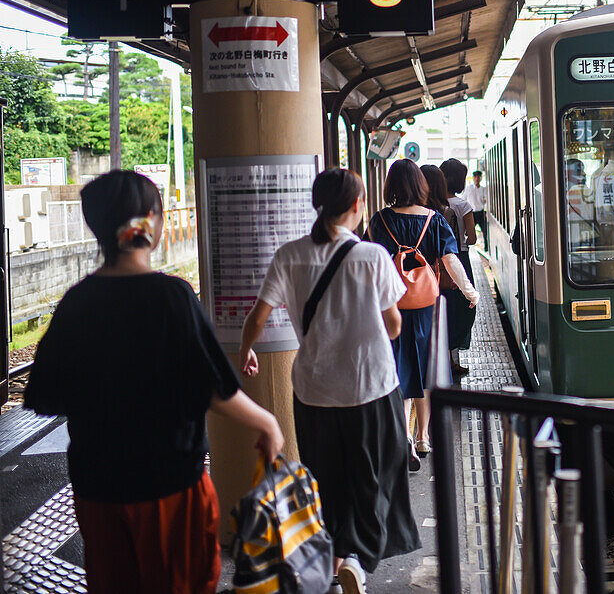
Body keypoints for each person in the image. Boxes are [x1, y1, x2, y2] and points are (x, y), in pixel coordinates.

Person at [23, 170, 284, 594]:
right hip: (169, 488)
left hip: (98, 487)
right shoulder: (173, 298)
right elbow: (215, 389)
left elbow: (45, 395)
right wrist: (267, 424)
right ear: (148, 223)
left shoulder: (76, 303)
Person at [238, 168, 418, 592]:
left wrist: (246, 350)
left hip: (315, 392)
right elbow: (393, 325)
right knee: (378, 471)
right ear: (357, 206)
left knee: (326, 479)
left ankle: (337, 563)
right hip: (371, 387)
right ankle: (357, 557)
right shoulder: (371, 256)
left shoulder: (290, 255)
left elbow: (258, 316)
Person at [367, 160, 479, 463]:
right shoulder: (433, 219)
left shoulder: (379, 221)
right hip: (426, 304)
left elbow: (370, 261)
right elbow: (451, 261)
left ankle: (402, 435)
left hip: (391, 306)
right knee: (427, 369)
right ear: (420, 185)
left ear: (390, 186)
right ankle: (423, 438)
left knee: (399, 368)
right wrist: (470, 292)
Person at [421, 164, 468, 378]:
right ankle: (446, 363)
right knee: (449, 318)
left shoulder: (387, 218)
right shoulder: (444, 213)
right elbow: (455, 249)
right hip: (444, 277)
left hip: (415, 286)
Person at [440, 158, 478, 374]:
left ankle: (445, 359)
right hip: (461, 260)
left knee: (445, 309)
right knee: (464, 309)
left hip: (440, 261)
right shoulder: (463, 205)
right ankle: (453, 358)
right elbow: (472, 239)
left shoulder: (433, 205)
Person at [466, 169, 489, 250]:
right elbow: (464, 199)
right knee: (468, 231)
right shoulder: (468, 188)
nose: (477, 178)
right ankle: (466, 247)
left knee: (486, 231)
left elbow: (486, 200)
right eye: (475, 177)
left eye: (478, 177)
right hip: (472, 213)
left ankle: (487, 248)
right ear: (473, 178)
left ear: (480, 178)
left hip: (481, 213)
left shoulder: (483, 189)